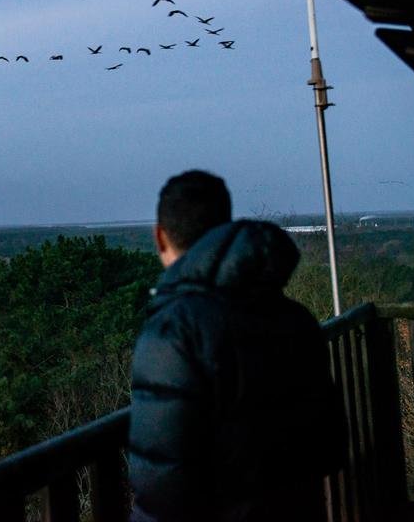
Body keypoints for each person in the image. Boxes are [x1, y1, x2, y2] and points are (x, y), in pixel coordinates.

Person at [128, 170, 345, 521]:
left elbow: (161, 487)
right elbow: (330, 446)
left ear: (160, 237)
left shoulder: (175, 330)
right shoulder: (295, 317)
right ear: (223, 231)